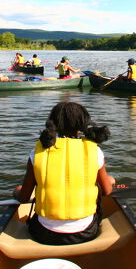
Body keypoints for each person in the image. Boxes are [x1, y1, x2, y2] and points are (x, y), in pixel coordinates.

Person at [12, 102, 116, 245]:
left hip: (44, 233)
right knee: (107, 180)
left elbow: (24, 197)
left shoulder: (37, 152)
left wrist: (16, 192)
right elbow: (107, 191)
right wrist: (110, 181)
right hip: (85, 232)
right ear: (81, 126)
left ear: (53, 123)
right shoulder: (94, 151)